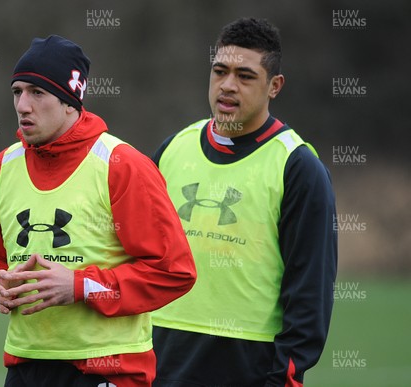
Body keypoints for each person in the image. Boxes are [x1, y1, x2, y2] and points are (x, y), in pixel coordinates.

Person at [0, 35, 196, 387]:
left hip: (109, 370)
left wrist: (81, 286)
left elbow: (173, 271)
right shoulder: (2, 166)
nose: (23, 105)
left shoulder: (122, 164)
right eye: (17, 92)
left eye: (37, 93)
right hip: (26, 365)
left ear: (71, 101)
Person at [151, 18, 337, 386]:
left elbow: (310, 292)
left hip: (248, 367)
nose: (228, 85)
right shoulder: (172, 149)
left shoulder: (298, 166)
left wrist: (286, 377)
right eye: (220, 71)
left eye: (245, 76)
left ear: (274, 86)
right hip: (161, 359)